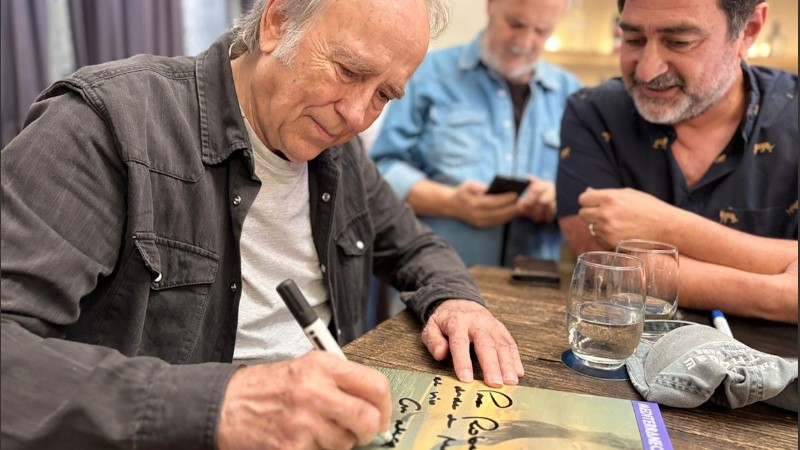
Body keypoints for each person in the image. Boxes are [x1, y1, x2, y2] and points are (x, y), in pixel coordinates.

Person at [0, 0, 526, 448]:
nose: (356, 115)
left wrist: (456, 300)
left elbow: (413, 246)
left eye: (384, 95)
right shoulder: (103, 127)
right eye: (347, 70)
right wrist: (222, 404)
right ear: (276, 23)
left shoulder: (341, 159)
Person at [556, 0, 797, 324]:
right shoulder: (594, 112)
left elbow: (633, 270)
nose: (646, 70)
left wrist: (667, 225)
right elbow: (603, 266)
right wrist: (779, 293)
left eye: (679, 42)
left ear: (748, 30)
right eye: (633, 39)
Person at [369, 0, 581, 267]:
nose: (525, 42)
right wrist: (451, 203)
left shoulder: (571, 93)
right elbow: (381, 170)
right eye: (516, 24)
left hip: (534, 284)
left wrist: (558, 197)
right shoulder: (427, 75)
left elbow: (588, 192)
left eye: (541, 32)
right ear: (492, 5)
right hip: (436, 275)